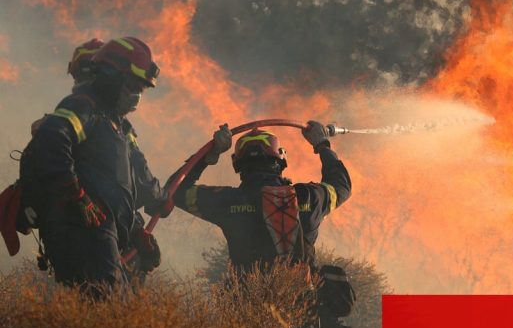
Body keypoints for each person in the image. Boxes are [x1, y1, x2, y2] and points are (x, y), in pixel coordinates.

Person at [29, 37, 167, 293]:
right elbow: (53, 139)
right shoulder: (84, 106)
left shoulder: (111, 120)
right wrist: (77, 196)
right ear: (110, 76)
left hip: (102, 233)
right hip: (83, 232)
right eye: (132, 86)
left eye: (141, 89)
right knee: (111, 314)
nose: (136, 96)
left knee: (117, 316)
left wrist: (135, 228)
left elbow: (111, 186)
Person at [171, 121, 351, 274]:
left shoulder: (228, 201)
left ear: (238, 164)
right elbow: (341, 186)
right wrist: (322, 145)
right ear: (281, 160)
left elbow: (174, 192)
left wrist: (207, 156)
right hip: (302, 307)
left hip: (247, 309)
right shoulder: (308, 197)